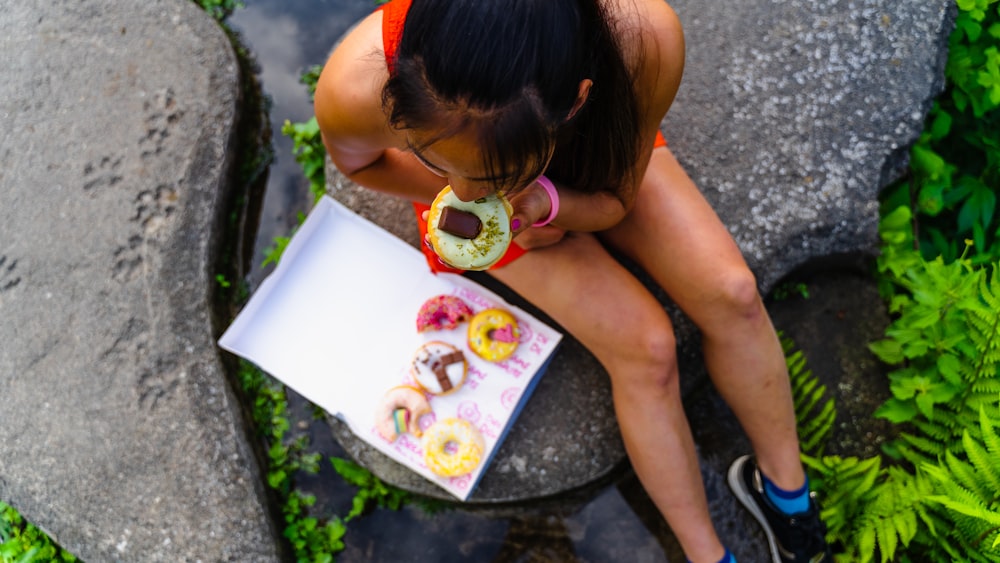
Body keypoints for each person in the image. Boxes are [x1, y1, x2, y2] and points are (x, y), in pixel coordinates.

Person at [314, 0, 833, 561]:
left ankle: (784, 491)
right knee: (647, 348)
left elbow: (615, 201)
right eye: (442, 163)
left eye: (485, 178)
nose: (468, 194)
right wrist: (480, 205)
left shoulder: (643, 40)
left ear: (579, 99)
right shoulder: (356, 85)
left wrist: (544, 202)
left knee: (732, 293)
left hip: (592, 161)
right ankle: (708, 553)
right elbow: (361, 163)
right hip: (525, 196)